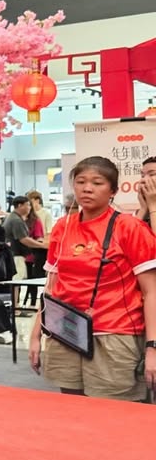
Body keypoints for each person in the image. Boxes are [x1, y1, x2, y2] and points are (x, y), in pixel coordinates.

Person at [29, 156, 156, 401]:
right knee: (73, 409)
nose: (87, 188)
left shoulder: (129, 227)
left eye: (97, 183)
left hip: (114, 333)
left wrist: (152, 347)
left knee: (114, 414)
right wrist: (36, 334)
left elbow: (151, 292)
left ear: (113, 191)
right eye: (81, 181)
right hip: (65, 330)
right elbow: (51, 286)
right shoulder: (62, 226)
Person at [3, 196, 45, 309]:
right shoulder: (16, 220)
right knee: (16, 282)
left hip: (17, 254)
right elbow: (24, 239)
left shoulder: (14, 217)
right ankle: (15, 307)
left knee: (17, 281)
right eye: (27, 205)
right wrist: (42, 245)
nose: (29, 207)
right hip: (16, 255)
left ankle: (15, 306)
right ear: (20, 205)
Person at [137, 155, 156, 230]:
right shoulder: (142, 211)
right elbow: (130, 238)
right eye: (142, 175)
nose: (143, 180)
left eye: (152, 174)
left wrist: (152, 205)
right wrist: (143, 209)